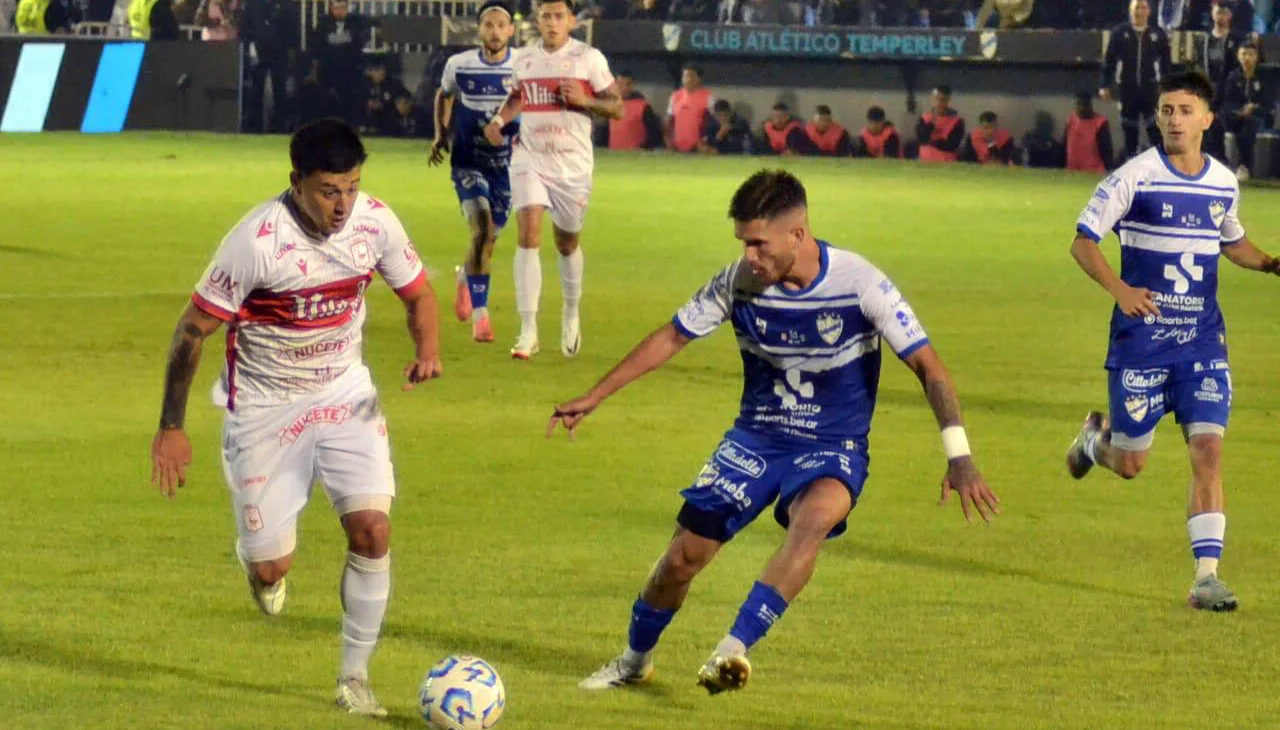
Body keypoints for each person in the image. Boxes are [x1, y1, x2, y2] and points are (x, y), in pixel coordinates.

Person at [558, 169, 999, 694]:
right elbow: (673, 337)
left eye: (758, 244)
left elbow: (930, 368)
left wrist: (959, 455)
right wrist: (596, 395)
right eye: (743, 243)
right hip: (755, 440)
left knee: (812, 521)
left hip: (831, 447)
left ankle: (731, 650)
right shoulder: (738, 283)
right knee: (682, 558)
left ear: (798, 233)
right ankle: (634, 661)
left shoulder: (860, 284)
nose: (749, 256)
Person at [148, 119, 442, 716]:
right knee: (271, 564)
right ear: (296, 181)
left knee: (373, 530)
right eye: (328, 191)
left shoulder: (375, 223)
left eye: (352, 187)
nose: (342, 205)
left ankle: (354, 678)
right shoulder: (257, 242)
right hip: (264, 407)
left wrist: (428, 351)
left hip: (344, 393)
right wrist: (172, 427)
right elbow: (192, 331)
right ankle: (260, 567)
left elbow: (417, 293)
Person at [1066, 71, 1280, 613]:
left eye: (1185, 110)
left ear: (1207, 118)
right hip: (1141, 344)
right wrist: (1121, 290)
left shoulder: (1223, 182)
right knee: (1131, 463)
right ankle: (1093, 443)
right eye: (1166, 110)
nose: (1174, 120)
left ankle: (1207, 577)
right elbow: (1083, 243)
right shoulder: (1135, 177)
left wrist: (1271, 263)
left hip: (1201, 342)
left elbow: (1229, 240)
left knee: (1208, 450)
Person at [483, 0, 623, 360]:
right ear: (537, 20)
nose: (551, 22)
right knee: (528, 235)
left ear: (572, 21)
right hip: (530, 158)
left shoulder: (588, 58)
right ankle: (527, 330)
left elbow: (617, 106)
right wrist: (499, 121)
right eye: (545, 16)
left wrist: (585, 100)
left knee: (566, 243)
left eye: (558, 16)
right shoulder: (525, 59)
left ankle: (571, 312)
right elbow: (518, 96)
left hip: (573, 166)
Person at [429, 0, 517, 344]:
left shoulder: (522, 67)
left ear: (511, 31)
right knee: (481, 230)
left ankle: (466, 277)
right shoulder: (459, 64)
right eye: (488, 25)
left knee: (488, 240)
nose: (494, 32)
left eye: (500, 26)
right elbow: (444, 95)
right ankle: (482, 317)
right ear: (479, 29)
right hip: (468, 162)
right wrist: (440, 134)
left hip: (508, 168)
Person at [1100, 0, 1171, 161]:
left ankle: (1161, 166)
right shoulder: (1119, 33)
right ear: (1130, 10)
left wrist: (1167, 87)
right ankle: (1131, 168)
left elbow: (1166, 64)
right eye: (1136, 8)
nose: (1139, 12)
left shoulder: (1158, 34)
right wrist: (1104, 84)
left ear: (1149, 11)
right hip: (1127, 90)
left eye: (1143, 8)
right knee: (1129, 133)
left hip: (1151, 90)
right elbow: (1109, 60)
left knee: (1156, 132)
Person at [1221, 42, 1272, 181]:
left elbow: (1268, 103)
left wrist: (1254, 107)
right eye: (1244, 54)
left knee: (1248, 125)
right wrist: (1239, 111)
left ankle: (1243, 165)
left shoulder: (1264, 77)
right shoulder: (1232, 77)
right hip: (1236, 116)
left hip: (1257, 116)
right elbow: (1227, 101)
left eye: (1251, 54)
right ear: (1238, 56)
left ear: (1257, 57)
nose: (1247, 58)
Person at [607, 70, 663, 150]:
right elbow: (603, 132)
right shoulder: (609, 104)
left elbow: (655, 133)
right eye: (620, 84)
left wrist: (644, 148)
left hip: (636, 155)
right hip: (613, 154)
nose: (624, 88)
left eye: (628, 84)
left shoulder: (643, 107)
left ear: (633, 85)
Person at [666, 64, 717, 153]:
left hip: (698, 147)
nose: (688, 79)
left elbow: (715, 122)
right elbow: (669, 121)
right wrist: (668, 141)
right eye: (685, 76)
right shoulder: (675, 96)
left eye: (692, 76)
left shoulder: (708, 97)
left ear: (699, 79)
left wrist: (706, 141)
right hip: (677, 147)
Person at [1064, 92, 1115, 173]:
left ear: (1090, 105)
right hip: (1072, 171)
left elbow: (1106, 151)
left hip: (1094, 173)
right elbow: (1064, 145)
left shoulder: (1100, 123)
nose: (1081, 108)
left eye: (1085, 104)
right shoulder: (1071, 120)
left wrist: (1108, 170)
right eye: (1078, 104)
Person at [915, 85, 965, 163]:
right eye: (936, 99)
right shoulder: (924, 118)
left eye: (942, 100)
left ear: (948, 100)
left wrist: (933, 142)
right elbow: (922, 139)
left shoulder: (957, 121)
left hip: (946, 162)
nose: (939, 103)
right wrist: (932, 121)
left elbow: (952, 145)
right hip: (924, 160)